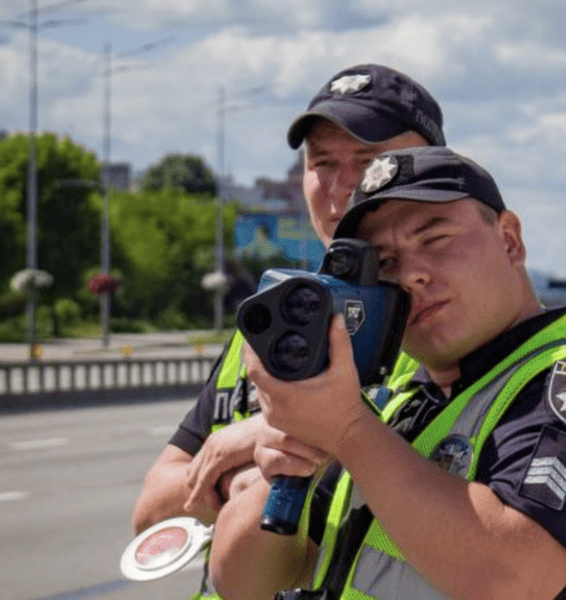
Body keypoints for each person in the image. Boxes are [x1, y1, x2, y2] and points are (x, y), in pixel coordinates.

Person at [208, 146, 566, 600]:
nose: (411, 275)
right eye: (386, 263)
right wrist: (285, 469)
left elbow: (510, 580)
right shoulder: (392, 408)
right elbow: (243, 584)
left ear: (509, 240)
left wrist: (347, 431)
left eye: (434, 240)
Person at [130, 64, 445, 592]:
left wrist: (296, 430)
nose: (342, 185)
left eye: (368, 162)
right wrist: (247, 450)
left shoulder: (439, 331)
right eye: (322, 162)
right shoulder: (275, 316)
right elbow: (150, 517)